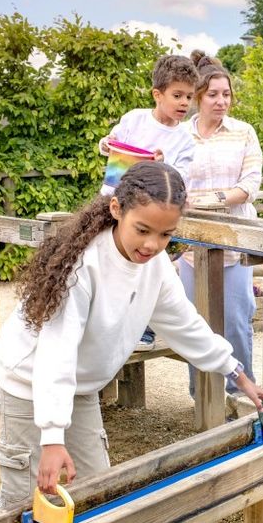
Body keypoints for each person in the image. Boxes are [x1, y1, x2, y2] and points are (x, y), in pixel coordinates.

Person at [0, 162, 263, 523]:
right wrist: (52, 437)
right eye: (143, 230)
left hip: (79, 388)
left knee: (98, 490)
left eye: (165, 235)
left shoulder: (155, 265)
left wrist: (237, 373)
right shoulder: (84, 264)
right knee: (25, 496)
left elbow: (183, 324)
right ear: (116, 210)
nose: (152, 245)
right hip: (30, 384)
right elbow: (56, 351)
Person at [98, 54, 198, 351]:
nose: (184, 102)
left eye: (189, 96)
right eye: (177, 95)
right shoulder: (134, 119)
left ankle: (144, 327)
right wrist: (106, 144)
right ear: (158, 94)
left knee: (147, 268)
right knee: (108, 262)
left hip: (151, 216)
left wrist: (164, 164)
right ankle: (107, 323)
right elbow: (112, 143)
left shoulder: (184, 139)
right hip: (115, 201)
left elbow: (182, 177)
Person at [178, 50, 262, 396]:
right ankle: (203, 397)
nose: (221, 101)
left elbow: (250, 185)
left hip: (234, 243)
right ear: (198, 96)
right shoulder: (180, 135)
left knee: (236, 323)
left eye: (226, 94)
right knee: (195, 324)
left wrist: (209, 200)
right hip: (190, 246)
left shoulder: (243, 132)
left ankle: (242, 394)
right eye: (213, 94)